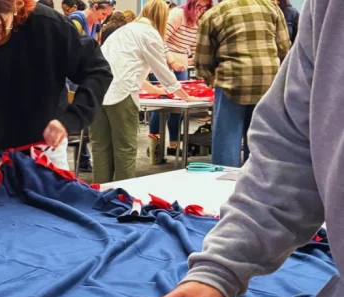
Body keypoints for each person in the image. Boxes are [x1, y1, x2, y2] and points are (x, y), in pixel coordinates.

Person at [121, 0, 344, 297]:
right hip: (262, 83)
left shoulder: (219, 15)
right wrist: (218, 270)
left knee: (225, 145)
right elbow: (291, 144)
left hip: (230, 84)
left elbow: (205, 62)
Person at [0, 0, 113, 177]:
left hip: (45, 150)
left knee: (50, 203)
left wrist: (72, 119)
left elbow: (97, 72)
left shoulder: (49, 26)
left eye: (0, 28)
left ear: (16, 7)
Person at [90, 0, 194, 183]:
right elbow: (162, 70)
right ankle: (123, 196)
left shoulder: (125, 30)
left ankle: (100, 195)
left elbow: (126, 68)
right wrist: (184, 95)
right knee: (125, 149)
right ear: (162, 16)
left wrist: (155, 89)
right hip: (121, 95)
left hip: (97, 91)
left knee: (101, 148)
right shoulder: (149, 34)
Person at [195, 0, 289, 167]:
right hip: (268, 83)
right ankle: (255, 186)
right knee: (259, 140)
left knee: (227, 139)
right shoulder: (271, 8)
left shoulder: (214, 14)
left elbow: (203, 60)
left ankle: (223, 186)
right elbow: (284, 47)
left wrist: (210, 79)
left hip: (232, 82)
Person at [148, 0, 211, 156]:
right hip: (163, 60)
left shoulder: (200, 21)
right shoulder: (177, 15)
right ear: (191, 5)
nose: (202, 10)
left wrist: (200, 63)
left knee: (179, 107)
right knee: (161, 105)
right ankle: (155, 145)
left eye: (205, 8)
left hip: (181, 63)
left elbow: (197, 47)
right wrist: (171, 60)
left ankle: (173, 145)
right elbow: (160, 39)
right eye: (199, 7)